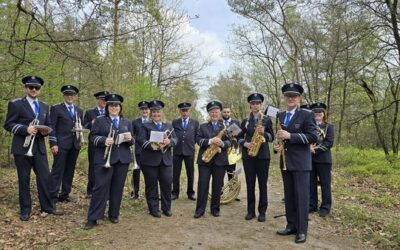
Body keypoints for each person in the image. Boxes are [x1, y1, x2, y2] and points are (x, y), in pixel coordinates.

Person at [3, 76, 63, 221]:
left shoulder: (44, 106)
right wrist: (25, 129)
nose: (34, 90)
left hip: (39, 148)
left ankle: (48, 207)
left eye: (37, 88)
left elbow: (49, 125)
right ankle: (25, 210)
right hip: (22, 148)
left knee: (45, 178)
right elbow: (8, 124)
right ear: (26, 89)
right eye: (31, 87)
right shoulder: (16, 104)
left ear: (40, 90)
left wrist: (46, 133)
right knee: (24, 179)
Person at [274, 83, 318, 243]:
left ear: (299, 98)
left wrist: (290, 136)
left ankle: (302, 230)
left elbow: (314, 137)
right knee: (289, 196)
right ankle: (291, 225)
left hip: (300, 163)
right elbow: (278, 137)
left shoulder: (307, 114)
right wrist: (277, 145)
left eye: (294, 96)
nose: (291, 98)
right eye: (288, 96)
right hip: (285, 162)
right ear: (284, 98)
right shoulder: (280, 115)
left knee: (301, 197)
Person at [84, 94, 134, 230]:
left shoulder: (127, 122)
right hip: (104, 159)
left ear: (120, 107)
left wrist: (130, 139)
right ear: (107, 107)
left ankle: (113, 214)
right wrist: (103, 140)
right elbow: (92, 137)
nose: (114, 107)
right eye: (111, 105)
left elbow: (132, 141)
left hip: (122, 159)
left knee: (117, 189)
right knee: (100, 188)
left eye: (116, 105)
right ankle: (93, 218)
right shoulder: (100, 121)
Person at [137, 100, 177, 218]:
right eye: (154, 112)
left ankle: (166, 208)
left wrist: (169, 141)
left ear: (161, 113)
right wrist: (152, 145)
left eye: (158, 112)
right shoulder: (145, 126)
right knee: (151, 185)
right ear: (150, 113)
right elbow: (140, 140)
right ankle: (154, 209)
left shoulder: (168, 126)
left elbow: (176, 140)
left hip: (166, 160)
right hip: (149, 161)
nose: (156, 114)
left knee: (166, 184)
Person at [239, 93, 274, 222]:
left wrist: (264, 133)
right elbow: (238, 137)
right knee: (250, 184)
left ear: (261, 105)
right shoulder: (244, 121)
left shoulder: (267, 120)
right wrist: (245, 143)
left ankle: (262, 212)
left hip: (263, 156)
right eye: (253, 103)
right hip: (249, 156)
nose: (255, 105)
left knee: (262, 184)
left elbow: (272, 137)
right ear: (250, 105)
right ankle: (250, 211)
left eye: (257, 103)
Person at [194, 101, 230, 218]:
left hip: (220, 160)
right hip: (205, 160)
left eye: (216, 111)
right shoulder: (202, 126)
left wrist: (222, 143)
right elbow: (198, 140)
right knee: (202, 185)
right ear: (209, 113)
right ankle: (200, 210)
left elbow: (231, 141)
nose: (214, 114)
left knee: (217, 185)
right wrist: (210, 141)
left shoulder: (226, 127)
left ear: (220, 112)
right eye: (212, 112)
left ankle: (215, 209)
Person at [49, 85, 83, 203]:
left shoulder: (79, 110)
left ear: (75, 97)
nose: (70, 96)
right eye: (67, 94)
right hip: (61, 144)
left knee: (70, 170)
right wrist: (53, 143)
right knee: (58, 170)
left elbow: (80, 126)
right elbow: (51, 127)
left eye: (72, 95)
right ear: (64, 95)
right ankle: (52, 195)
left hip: (75, 145)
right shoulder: (56, 108)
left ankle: (65, 194)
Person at [309, 102, 335, 217]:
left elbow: (329, 142)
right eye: (315, 112)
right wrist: (308, 148)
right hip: (309, 159)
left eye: (320, 112)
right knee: (311, 183)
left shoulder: (329, 127)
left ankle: (325, 207)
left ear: (324, 114)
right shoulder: (308, 126)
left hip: (324, 159)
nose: (317, 114)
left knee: (325, 184)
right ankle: (312, 205)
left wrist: (315, 150)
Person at [83, 91, 109, 198]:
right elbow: (84, 126)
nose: (103, 102)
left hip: (108, 143)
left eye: (105, 100)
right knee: (93, 166)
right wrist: (91, 123)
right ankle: (91, 189)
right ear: (97, 100)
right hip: (94, 144)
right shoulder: (90, 112)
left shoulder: (110, 112)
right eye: (101, 99)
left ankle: (103, 189)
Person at [171, 102, 199, 201]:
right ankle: (175, 192)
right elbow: (172, 135)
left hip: (189, 151)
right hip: (177, 151)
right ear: (180, 111)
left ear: (189, 111)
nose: (184, 112)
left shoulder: (195, 123)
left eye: (186, 110)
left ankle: (190, 192)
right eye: (183, 110)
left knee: (190, 173)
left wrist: (191, 144)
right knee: (175, 173)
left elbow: (196, 136)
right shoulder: (175, 122)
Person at [130, 101, 150, 200]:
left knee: (149, 175)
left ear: (149, 110)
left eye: (146, 109)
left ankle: (149, 193)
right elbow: (132, 135)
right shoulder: (135, 122)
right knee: (136, 173)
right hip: (138, 152)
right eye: (142, 109)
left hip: (150, 152)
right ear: (140, 111)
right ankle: (135, 193)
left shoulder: (153, 121)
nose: (144, 111)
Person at [221, 107, 241, 183]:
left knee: (232, 173)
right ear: (221, 113)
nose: (226, 114)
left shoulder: (236, 122)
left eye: (228, 112)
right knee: (220, 174)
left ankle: (232, 192)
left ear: (230, 113)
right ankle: (220, 193)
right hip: (221, 151)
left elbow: (239, 135)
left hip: (232, 151)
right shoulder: (218, 122)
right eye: (224, 112)